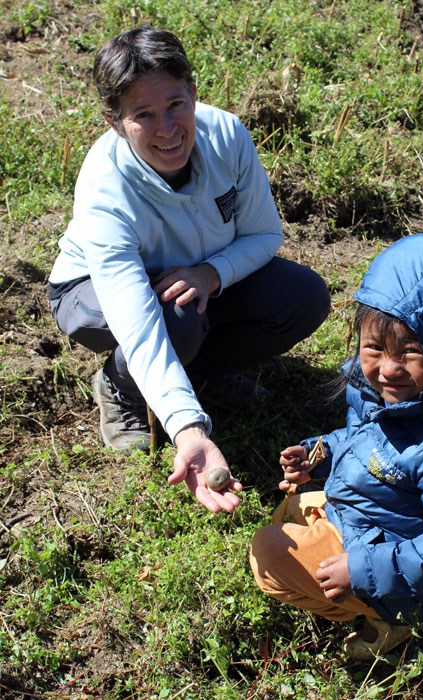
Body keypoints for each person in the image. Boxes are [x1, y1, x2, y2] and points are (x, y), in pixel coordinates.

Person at [47, 28, 330, 513]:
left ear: (194, 92)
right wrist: (189, 429)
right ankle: (120, 385)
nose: (168, 128)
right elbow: (137, 323)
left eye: (176, 104)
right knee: (172, 322)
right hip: (92, 292)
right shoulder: (104, 189)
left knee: (303, 297)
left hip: (195, 280)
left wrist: (211, 274)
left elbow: (264, 236)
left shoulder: (226, 136)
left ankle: (197, 372)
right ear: (114, 122)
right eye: (143, 115)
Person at [249, 234, 423, 659]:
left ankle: (390, 622)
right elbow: (365, 438)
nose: (388, 368)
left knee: (270, 555)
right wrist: (321, 455)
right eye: (374, 348)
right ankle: (338, 554)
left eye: (410, 352)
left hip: (395, 572)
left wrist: (365, 570)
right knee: (290, 510)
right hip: (368, 517)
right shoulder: (386, 394)